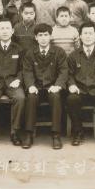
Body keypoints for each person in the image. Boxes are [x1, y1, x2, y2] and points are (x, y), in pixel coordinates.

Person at [21, 22, 67, 150]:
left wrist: (57, 86)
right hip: (36, 86)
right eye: (40, 35)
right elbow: (27, 71)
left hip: (52, 86)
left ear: (50, 36)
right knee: (31, 97)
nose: (43, 38)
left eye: (46, 35)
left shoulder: (59, 52)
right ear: (36, 37)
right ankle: (29, 134)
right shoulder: (30, 53)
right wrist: (30, 85)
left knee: (56, 97)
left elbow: (63, 71)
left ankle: (56, 135)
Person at [0, 17, 26, 146]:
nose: (5, 31)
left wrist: (18, 80)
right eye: (2, 28)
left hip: (12, 82)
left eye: (7, 28)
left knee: (20, 97)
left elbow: (23, 68)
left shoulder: (19, 49)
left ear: (12, 31)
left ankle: (15, 132)